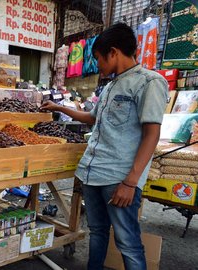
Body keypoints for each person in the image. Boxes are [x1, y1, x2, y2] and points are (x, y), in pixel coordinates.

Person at [41, 23, 168, 270]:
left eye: (98, 58)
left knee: (128, 242)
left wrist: (131, 182)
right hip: (92, 173)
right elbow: (92, 118)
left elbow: (152, 134)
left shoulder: (149, 82)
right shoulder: (110, 86)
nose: (97, 65)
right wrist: (59, 108)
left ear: (113, 52)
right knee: (97, 232)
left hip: (118, 178)